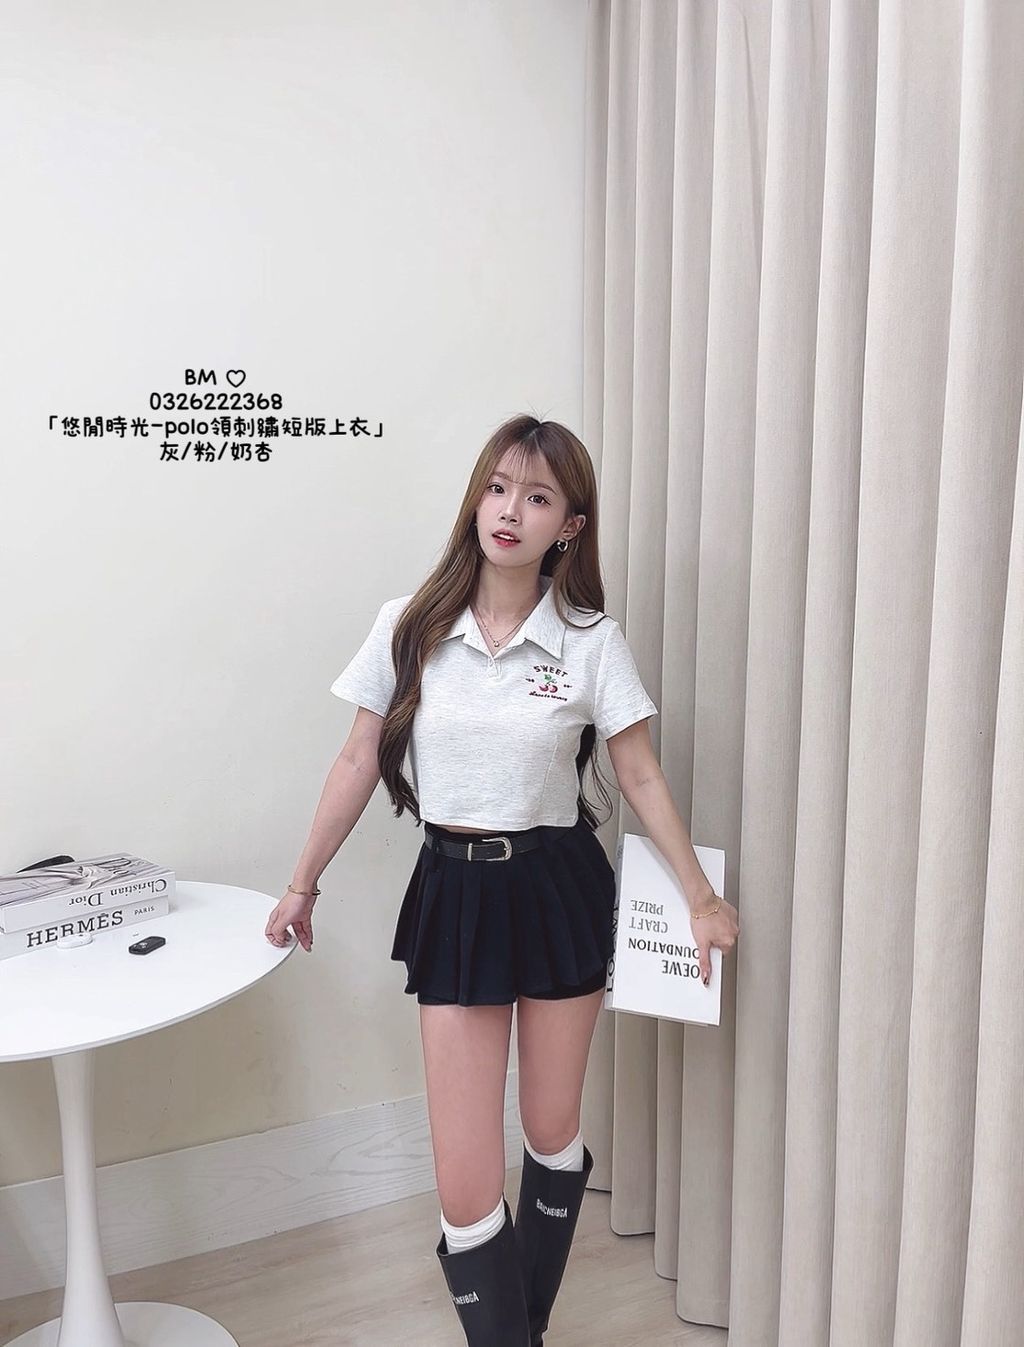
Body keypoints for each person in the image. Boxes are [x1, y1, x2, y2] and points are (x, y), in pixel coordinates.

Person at [263, 414, 740, 1345]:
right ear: (476, 498)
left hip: (557, 886)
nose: (509, 510)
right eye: (497, 487)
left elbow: (639, 773)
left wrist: (701, 896)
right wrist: (301, 882)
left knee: (551, 1128)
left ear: (569, 523)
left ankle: (526, 1330)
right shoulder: (409, 626)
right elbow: (357, 757)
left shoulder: (591, 641)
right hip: (456, 893)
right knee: (465, 1183)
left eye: (537, 496)